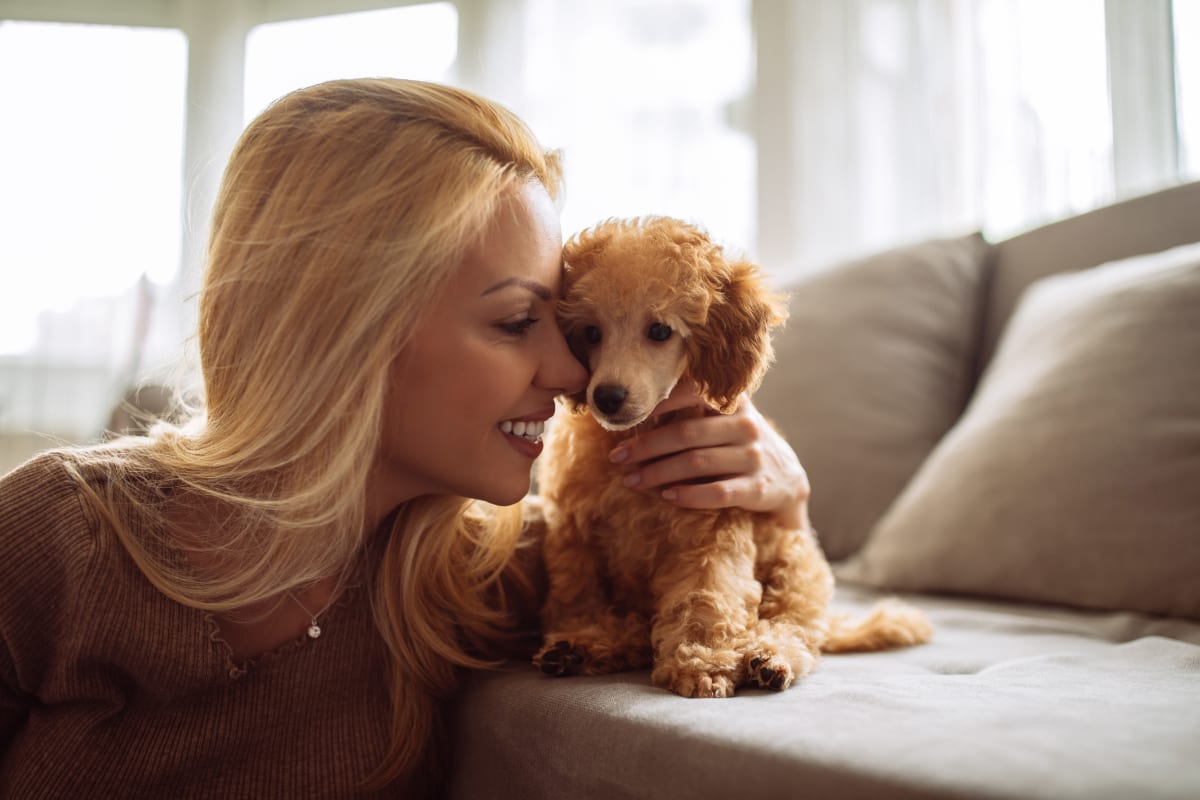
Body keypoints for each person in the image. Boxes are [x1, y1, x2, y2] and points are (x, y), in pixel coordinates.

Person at [0, 78, 809, 797]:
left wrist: (782, 502)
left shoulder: (482, 572)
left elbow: (711, 584)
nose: (572, 374)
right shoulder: (55, 537)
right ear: (347, 326)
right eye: (523, 321)